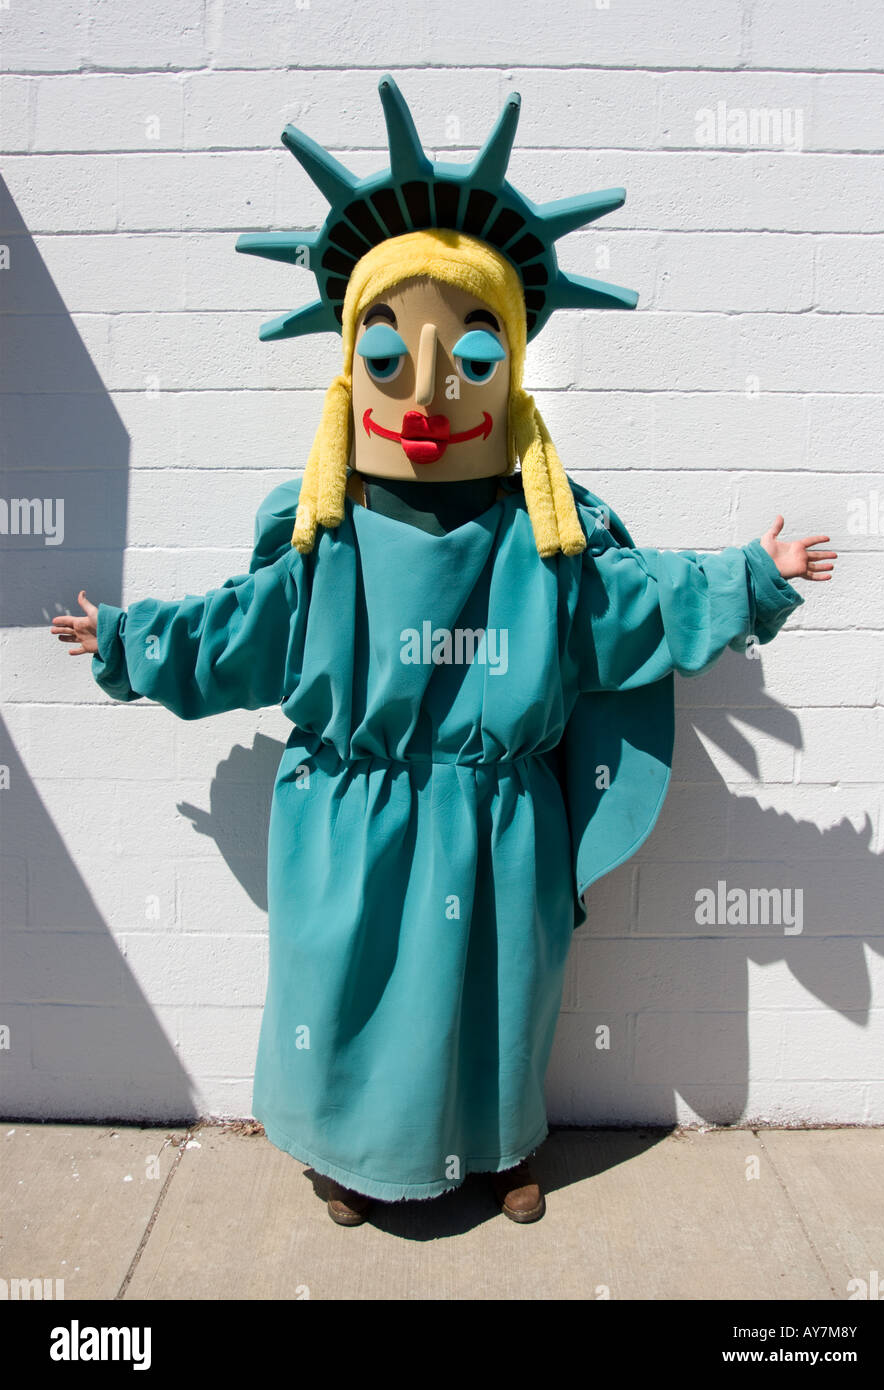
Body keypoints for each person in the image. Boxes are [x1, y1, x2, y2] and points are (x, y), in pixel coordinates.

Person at [50, 79, 835, 1227]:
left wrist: (750, 579)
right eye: (389, 358)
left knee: (497, 993)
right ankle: (341, 1153)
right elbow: (236, 629)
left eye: (469, 359)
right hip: (351, 824)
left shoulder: (543, 549)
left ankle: (499, 1148)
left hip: (496, 821)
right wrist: (128, 641)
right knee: (345, 987)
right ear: (350, 377)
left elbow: (638, 602)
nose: (427, 394)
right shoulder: (323, 551)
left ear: (509, 378)